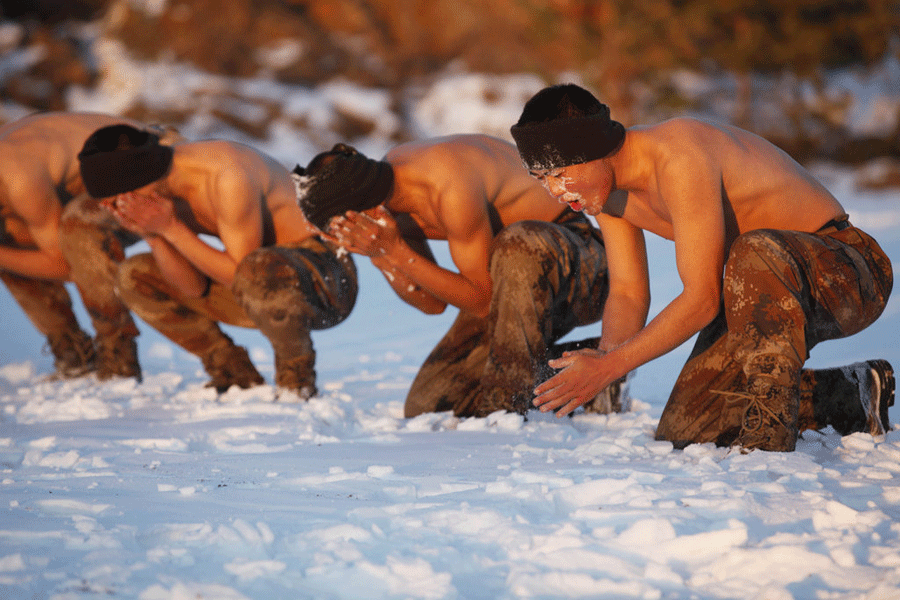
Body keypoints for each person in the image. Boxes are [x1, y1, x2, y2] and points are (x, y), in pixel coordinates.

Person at [511, 83, 894, 452]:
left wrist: (610, 366)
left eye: (560, 174)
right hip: (759, 291)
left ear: (592, 148)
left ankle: (768, 446)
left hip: (848, 269)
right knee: (689, 425)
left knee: (751, 251)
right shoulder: (604, 197)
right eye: (543, 179)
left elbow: (702, 299)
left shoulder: (679, 155)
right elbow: (628, 292)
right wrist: (605, 363)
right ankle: (854, 393)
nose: (555, 192)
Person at [292, 136, 622, 418]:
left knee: (516, 245)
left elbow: (480, 302)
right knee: (430, 404)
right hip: (510, 285)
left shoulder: (446, 186)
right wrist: (383, 256)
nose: (344, 239)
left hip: (586, 267)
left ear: (362, 213)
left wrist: (395, 251)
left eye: (342, 229)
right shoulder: (384, 195)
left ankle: (505, 411)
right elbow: (432, 303)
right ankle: (588, 372)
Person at [65, 124, 358, 397]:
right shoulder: (159, 191)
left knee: (258, 267)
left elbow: (242, 273)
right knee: (135, 275)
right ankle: (232, 371)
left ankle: (296, 383)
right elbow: (193, 289)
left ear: (136, 184)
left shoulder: (227, 175)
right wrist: (154, 235)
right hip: (261, 285)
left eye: (116, 200)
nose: (115, 209)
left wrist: (171, 228)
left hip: (327, 282)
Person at [0, 111, 162, 379]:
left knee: (79, 225)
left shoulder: (17, 177)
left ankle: (118, 351)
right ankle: (73, 353)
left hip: (149, 160)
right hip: (94, 176)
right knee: (9, 247)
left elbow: (64, 265)